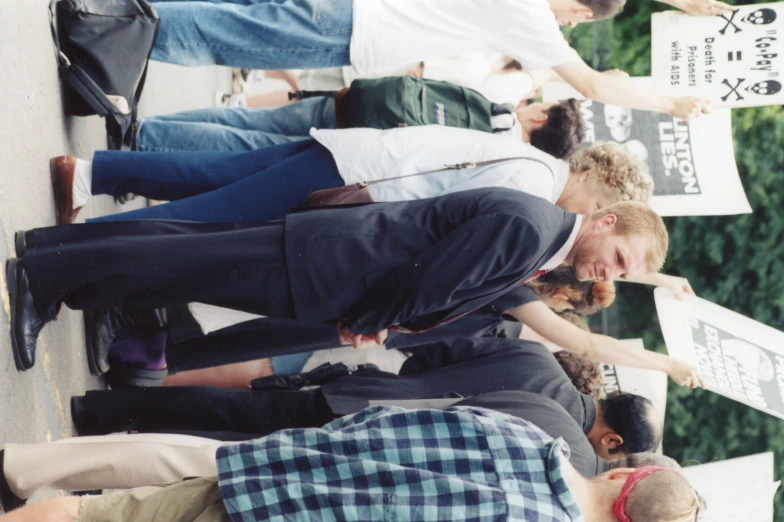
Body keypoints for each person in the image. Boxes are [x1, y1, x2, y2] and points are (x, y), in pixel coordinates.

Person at [9, 188, 667, 370]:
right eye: (620, 258)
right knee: (178, 263)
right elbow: (431, 280)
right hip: (335, 266)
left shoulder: (540, 236)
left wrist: (379, 319)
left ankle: (50, 253)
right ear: (606, 221)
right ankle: (44, 278)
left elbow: (441, 286)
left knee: (185, 250)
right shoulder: (532, 231)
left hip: (335, 260)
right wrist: (371, 321)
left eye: (624, 276)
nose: (611, 273)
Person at [0, 406, 705, 522]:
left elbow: (383, 422)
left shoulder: (523, 435)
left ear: (621, 476)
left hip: (276, 474)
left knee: (101, 513)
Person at [70, 338, 663, 461]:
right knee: (221, 448)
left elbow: (434, 356)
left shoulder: (536, 358)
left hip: (364, 393)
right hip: (374, 443)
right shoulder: (565, 447)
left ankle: (101, 412)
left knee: (233, 411)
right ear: (611, 440)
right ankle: (113, 443)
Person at [145, 0, 711, 122]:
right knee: (229, 34)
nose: (571, 28)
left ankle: (115, 22)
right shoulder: (531, 18)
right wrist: (671, 101)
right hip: (359, 30)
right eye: (580, 21)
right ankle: (110, 24)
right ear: (581, 13)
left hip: (356, 16)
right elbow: (591, 84)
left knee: (232, 20)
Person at [52, 129, 641, 226]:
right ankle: (66, 251)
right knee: (206, 216)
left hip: (357, 156)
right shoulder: (537, 188)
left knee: (209, 177)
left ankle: (90, 172)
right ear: (592, 180)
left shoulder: (535, 163)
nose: (586, 218)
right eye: (598, 207)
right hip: (358, 180)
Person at [134, 83, 583, 157]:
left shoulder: (493, 105)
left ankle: (150, 131)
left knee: (248, 120)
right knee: (250, 148)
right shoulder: (498, 150)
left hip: (353, 104)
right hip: (357, 138)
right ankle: (147, 143)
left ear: (540, 115)